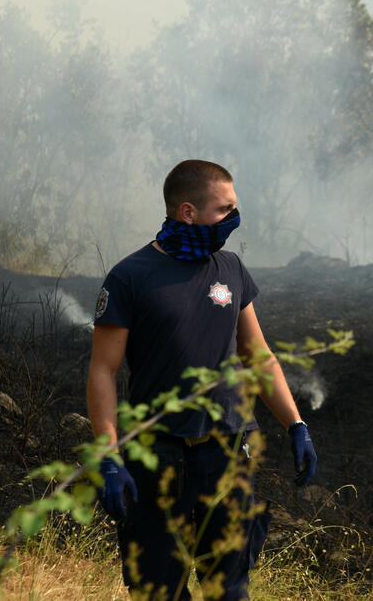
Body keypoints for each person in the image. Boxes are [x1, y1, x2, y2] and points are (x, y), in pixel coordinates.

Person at [86, 159, 316, 600]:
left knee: (228, 588)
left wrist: (296, 424)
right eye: (224, 209)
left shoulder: (230, 269)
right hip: (157, 455)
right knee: (158, 589)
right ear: (188, 212)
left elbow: (258, 355)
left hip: (229, 451)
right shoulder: (130, 277)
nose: (234, 217)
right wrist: (108, 455)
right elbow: (103, 370)